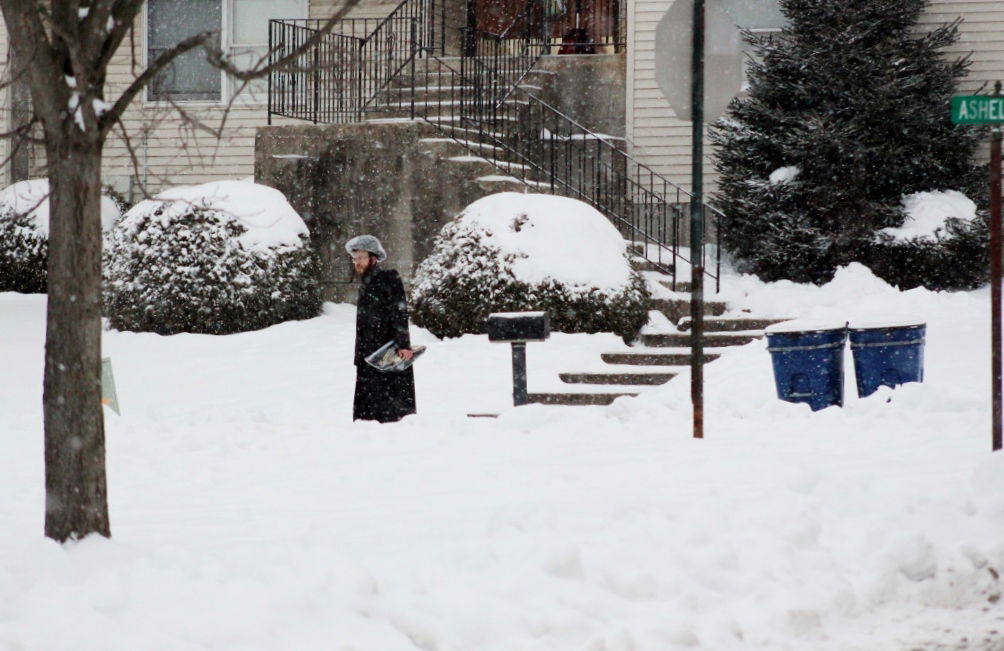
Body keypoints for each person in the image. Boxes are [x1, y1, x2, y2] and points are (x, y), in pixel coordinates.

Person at [346, 235, 417, 423]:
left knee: (389, 409)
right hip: (367, 356)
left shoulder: (389, 279)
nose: (357, 262)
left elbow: (399, 313)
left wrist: (403, 344)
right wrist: (358, 358)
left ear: (373, 259)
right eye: (355, 259)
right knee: (367, 414)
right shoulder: (365, 285)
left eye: (360, 258)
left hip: (387, 353)